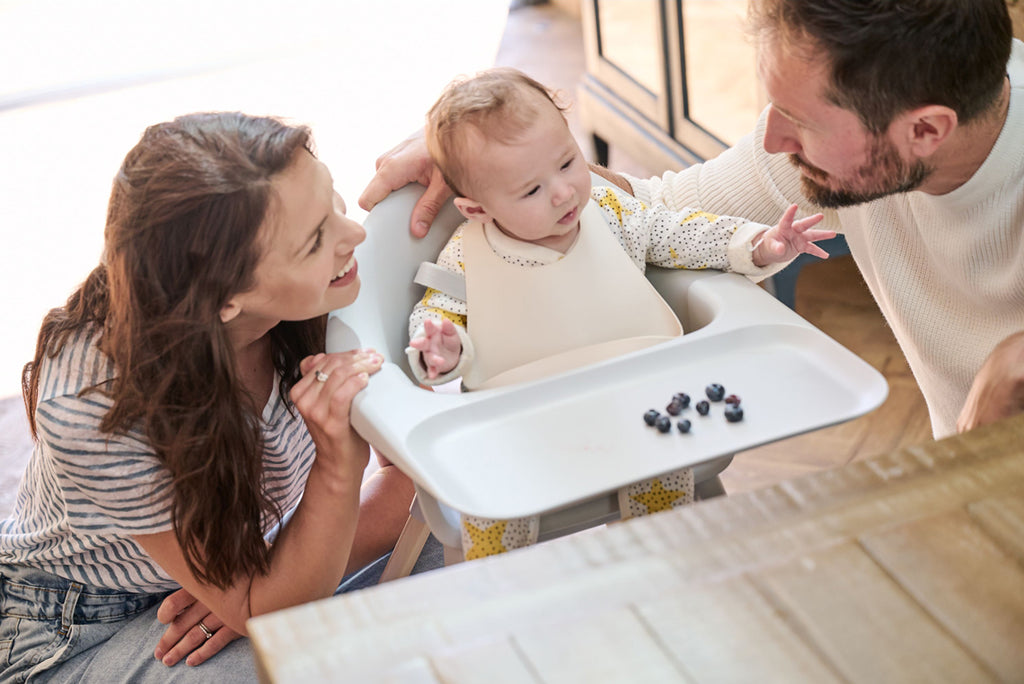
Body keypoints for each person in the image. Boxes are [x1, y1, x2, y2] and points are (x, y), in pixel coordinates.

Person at [360, 0, 1024, 441]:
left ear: (927, 130)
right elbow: (662, 209)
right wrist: (494, 157)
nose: (772, 144)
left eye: (800, 125)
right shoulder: (824, 153)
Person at [0, 112, 440, 682]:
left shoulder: (323, 279)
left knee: (485, 550)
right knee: (316, 667)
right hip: (74, 627)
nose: (354, 234)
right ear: (225, 301)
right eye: (315, 240)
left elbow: (403, 495)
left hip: (249, 555)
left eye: (332, 201)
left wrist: (270, 587)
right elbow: (281, 594)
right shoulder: (92, 406)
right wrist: (336, 471)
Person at [403, 68, 831, 559]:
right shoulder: (465, 255)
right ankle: (509, 599)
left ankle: (662, 570)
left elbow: (677, 233)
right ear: (476, 210)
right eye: (531, 191)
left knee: (666, 499)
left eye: (568, 163)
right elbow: (438, 313)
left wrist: (756, 244)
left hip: (634, 405)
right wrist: (440, 349)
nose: (563, 193)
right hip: (521, 427)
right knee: (492, 510)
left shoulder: (608, 208)